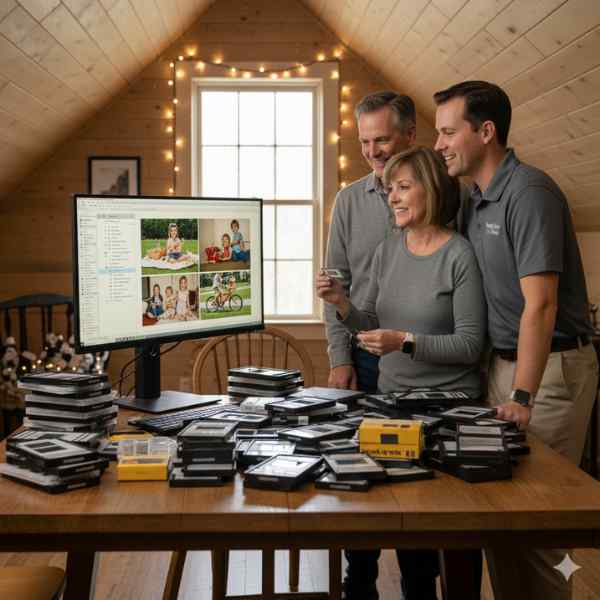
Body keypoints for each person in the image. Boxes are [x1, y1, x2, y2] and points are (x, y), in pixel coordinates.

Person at [433, 80, 599, 600]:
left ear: (486, 132)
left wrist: (523, 394)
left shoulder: (530, 193)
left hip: (549, 372)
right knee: (502, 522)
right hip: (501, 369)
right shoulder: (475, 199)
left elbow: (541, 304)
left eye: (448, 132)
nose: (441, 145)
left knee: (540, 528)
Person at [322, 147, 486, 600]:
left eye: (403, 187)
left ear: (430, 190)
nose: (392, 197)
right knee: (359, 502)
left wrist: (406, 341)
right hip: (392, 402)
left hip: (447, 407)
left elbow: (471, 346)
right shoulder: (388, 250)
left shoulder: (459, 255)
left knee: (417, 537)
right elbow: (370, 323)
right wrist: (342, 304)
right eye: (391, 188)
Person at [325, 91, 432, 600]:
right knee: (360, 478)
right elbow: (335, 286)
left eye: (382, 140)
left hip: (426, 367)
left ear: (410, 135)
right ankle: (359, 583)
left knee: (419, 483)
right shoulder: (349, 201)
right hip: (365, 365)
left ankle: (419, 585)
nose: (372, 151)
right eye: (364, 141)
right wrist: (339, 358)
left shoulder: (441, 194)